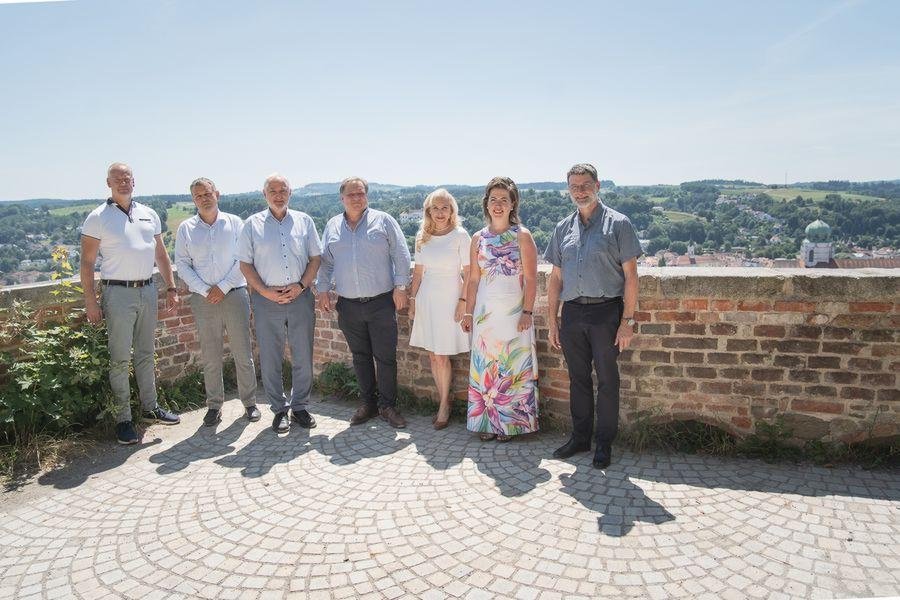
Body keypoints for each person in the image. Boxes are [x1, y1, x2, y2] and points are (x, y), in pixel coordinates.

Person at [545, 163, 642, 469]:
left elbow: (631, 276)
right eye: (574, 186)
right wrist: (552, 319)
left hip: (605, 311)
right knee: (578, 379)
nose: (580, 191)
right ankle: (580, 437)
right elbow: (556, 278)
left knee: (608, 379)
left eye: (585, 185)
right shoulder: (562, 228)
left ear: (598, 186)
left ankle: (604, 443)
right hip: (572, 312)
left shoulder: (619, 224)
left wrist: (627, 321)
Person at [80, 162, 181, 445]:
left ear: (134, 182)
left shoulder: (148, 214)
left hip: (147, 290)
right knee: (120, 358)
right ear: (108, 183)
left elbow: (161, 255)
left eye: (127, 178)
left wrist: (171, 286)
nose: (123, 182)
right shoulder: (97, 218)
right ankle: (124, 419)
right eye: (117, 179)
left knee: (146, 354)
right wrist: (90, 300)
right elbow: (87, 263)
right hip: (117, 293)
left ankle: (150, 409)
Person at [316, 176, 411, 428]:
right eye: (351, 194)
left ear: (366, 195)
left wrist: (401, 287)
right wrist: (322, 290)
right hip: (347, 304)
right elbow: (326, 263)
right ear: (342, 198)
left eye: (360, 193)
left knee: (386, 358)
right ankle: (368, 404)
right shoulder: (333, 226)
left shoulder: (384, 221)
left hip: (381, 302)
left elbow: (401, 255)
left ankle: (388, 406)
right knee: (360, 357)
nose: (356, 198)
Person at [237, 174, 321, 434]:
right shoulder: (251, 224)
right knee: (271, 357)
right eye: (272, 190)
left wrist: (301, 286)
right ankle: (279, 410)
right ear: (265, 194)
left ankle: (300, 407)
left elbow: (315, 258)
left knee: (303, 355)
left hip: (300, 296)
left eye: (282, 190)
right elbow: (245, 264)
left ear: (290, 193)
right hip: (266, 300)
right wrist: (265, 292)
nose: (278, 194)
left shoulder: (304, 222)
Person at [175, 177, 260, 427]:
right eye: (198, 195)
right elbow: (182, 264)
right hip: (203, 300)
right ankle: (214, 406)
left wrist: (222, 287)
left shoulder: (235, 223)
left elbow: (244, 259)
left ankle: (250, 403)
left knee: (243, 353)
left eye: (207, 193)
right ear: (193, 199)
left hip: (234, 294)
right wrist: (204, 289)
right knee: (210, 356)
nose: (204, 198)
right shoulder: (186, 229)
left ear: (217, 194)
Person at [460, 177, 539, 442]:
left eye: (504, 199)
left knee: (512, 367)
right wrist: (469, 312)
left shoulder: (522, 236)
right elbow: (473, 279)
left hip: (514, 313)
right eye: (493, 199)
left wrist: (527, 312)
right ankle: (487, 422)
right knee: (486, 367)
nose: (498, 204)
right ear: (486, 203)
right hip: (485, 314)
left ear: (512, 204)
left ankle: (510, 425)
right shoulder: (477, 238)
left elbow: (531, 279)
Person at [408, 189, 471, 430]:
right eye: (436, 208)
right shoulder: (422, 235)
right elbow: (418, 273)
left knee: (443, 354)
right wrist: (413, 300)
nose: (440, 213)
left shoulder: (460, 235)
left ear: (452, 210)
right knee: (433, 354)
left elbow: (469, 273)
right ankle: (444, 398)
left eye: (445, 208)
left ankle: (444, 404)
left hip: (450, 298)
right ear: (429, 211)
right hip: (427, 299)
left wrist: (463, 303)